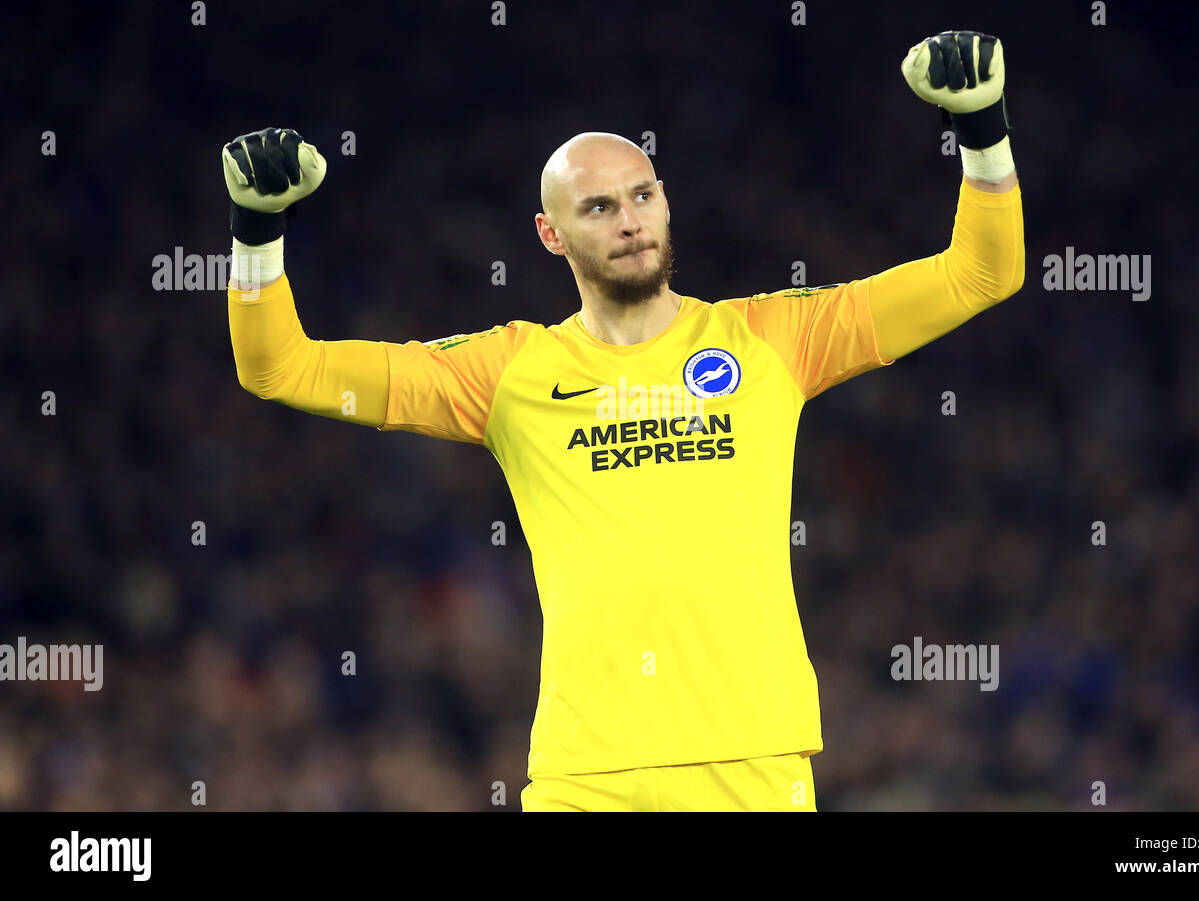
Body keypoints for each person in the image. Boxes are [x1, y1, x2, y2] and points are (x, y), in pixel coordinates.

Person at [223, 30, 1024, 811]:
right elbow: (280, 367)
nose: (630, 220)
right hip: (585, 773)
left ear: (667, 203)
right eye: (599, 207)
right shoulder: (507, 372)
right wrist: (257, 232)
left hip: (745, 759)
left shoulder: (771, 339)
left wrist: (981, 130)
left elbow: (982, 273)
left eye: (643, 195)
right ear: (550, 234)